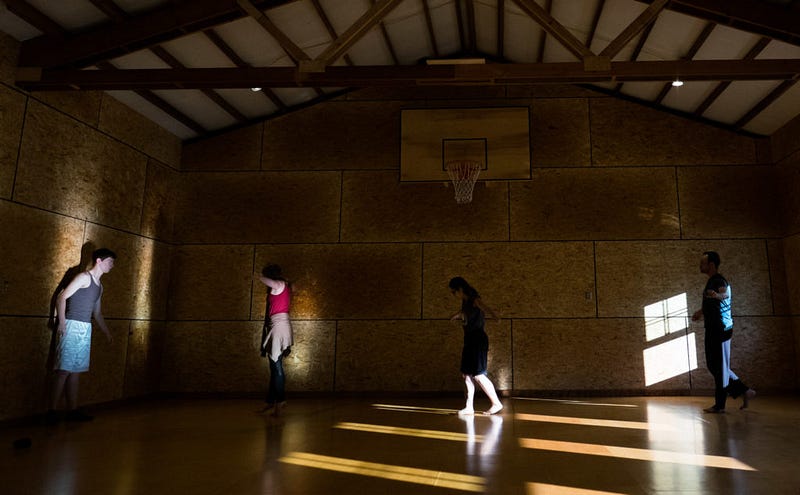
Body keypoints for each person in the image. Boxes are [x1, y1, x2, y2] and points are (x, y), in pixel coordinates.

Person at [47, 248, 116, 423]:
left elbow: (97, 313)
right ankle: (52, 412)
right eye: (109, 261)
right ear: (99, 261)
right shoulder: (83, 277)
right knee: (63, 370)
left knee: (76, 371)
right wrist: (61, 322)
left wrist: (107, 332)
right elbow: (61, 298)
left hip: (85, 329)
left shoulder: (100, 286)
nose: (112, 265)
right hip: (71, 325)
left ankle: (73, 410)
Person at [691, 251, 755, 413]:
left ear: (711, 265)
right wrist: (701, 311)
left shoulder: (719, 280)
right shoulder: (711, 281)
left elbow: (725, 295)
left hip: (721, 329)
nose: (700, 266)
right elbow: (713, 303)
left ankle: (720, 405)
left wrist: (717, 295)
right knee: (715, 366)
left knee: (719, 367)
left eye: (703, 263)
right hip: (713, 328)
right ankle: (744, 391)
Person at [448, 277, 503, 416]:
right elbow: (465, 313)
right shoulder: (465, 302)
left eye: (453, 292)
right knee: (466, 374)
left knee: (478, 374)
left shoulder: (474, 299)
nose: (453, 295)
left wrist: (495, 316)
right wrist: (456, 315)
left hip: (478, 339)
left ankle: (496, 403)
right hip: (469, 339)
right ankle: (469, 407)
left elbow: (484, 307)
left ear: (460, 289)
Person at [257, 264, 293, 416]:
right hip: (276, 326)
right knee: (274, 367)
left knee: (277, 368)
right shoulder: (282, 286)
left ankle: (280, 401)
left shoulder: (279, 285)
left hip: (279, 326)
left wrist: (256, 275)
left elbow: (267, 281)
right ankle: (271, 402)